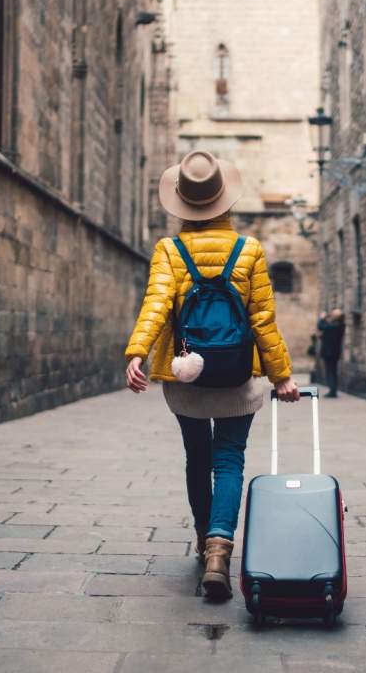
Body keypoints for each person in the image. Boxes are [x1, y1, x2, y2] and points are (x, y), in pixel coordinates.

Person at [124, 150, 299, 600]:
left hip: (187, 376)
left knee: (197, 458)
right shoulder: (250, 250)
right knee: (230, 459)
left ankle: (204, 541)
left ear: (182, 204)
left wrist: (138, 351)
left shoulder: (169, 250)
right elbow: (262, 319)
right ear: (226, 201)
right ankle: (221, 549)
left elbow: (156, 304)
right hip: (239, 376)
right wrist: (281, 375)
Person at [317, 309, 346, 398]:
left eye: (333, 314)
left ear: (337, 317)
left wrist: (322, 318)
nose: (331, 315)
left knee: (331, 371)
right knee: (331, 371)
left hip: (331, 353)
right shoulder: (337, 325)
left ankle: (332, 391)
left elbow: (321, 326)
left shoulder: (337, 326)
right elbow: (327, 332)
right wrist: (322, 336)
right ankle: (332, 390)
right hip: (332, 352)